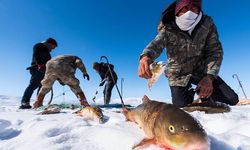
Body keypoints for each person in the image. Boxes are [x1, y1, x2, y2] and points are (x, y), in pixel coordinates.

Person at [138, 0, 239, 107]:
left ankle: (205, 95)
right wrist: (145, 57)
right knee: (182, 105)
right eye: (184, 8)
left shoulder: (207, 24)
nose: (189, 12)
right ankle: (192, 94)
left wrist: (209, 77)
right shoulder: (168, 29)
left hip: (201, 70)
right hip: (177, 74)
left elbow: (215, 50)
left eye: (194, 7)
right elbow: (155, 45)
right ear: (177, 11)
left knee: (231, 99)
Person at [20, 38, 57, 109]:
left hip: (44, 71)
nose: (52, 49)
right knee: (33, 85)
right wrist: (40, 65)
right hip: (37, 69)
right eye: (53, 47)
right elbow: (36, 54)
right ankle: (24, 102)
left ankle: (38, 103)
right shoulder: (39, 46)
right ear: (50, 43)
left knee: (42, 87)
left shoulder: (47, 51)